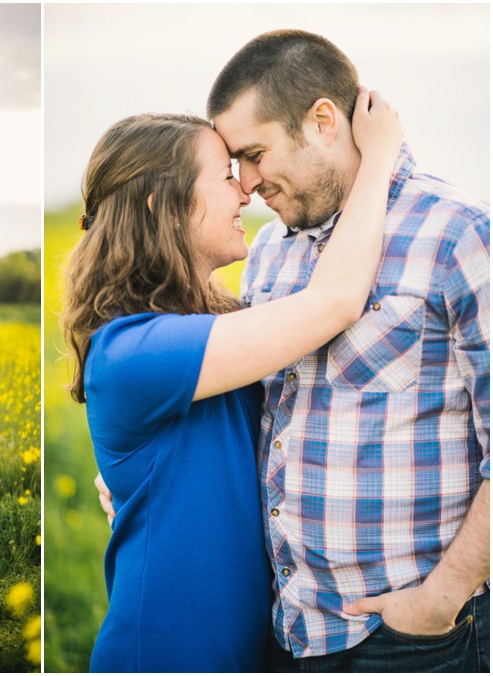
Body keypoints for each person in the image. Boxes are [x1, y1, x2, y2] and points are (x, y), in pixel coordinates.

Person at [97, 29, 490, 672]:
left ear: (324, 121)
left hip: (405, 640)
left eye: (254, 154)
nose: (247, 185)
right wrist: (146, 473)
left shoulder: (459, 234)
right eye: (232, 167)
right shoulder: (273, 252)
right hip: (284, 632)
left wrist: (440, 601)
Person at [63, 88, 402, 671]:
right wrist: (379, 160)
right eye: (224, 176)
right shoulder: (133, 350)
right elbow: (335, 302)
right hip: (166, 655)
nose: (246, 188)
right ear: (159, 206)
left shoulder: (209, 326)